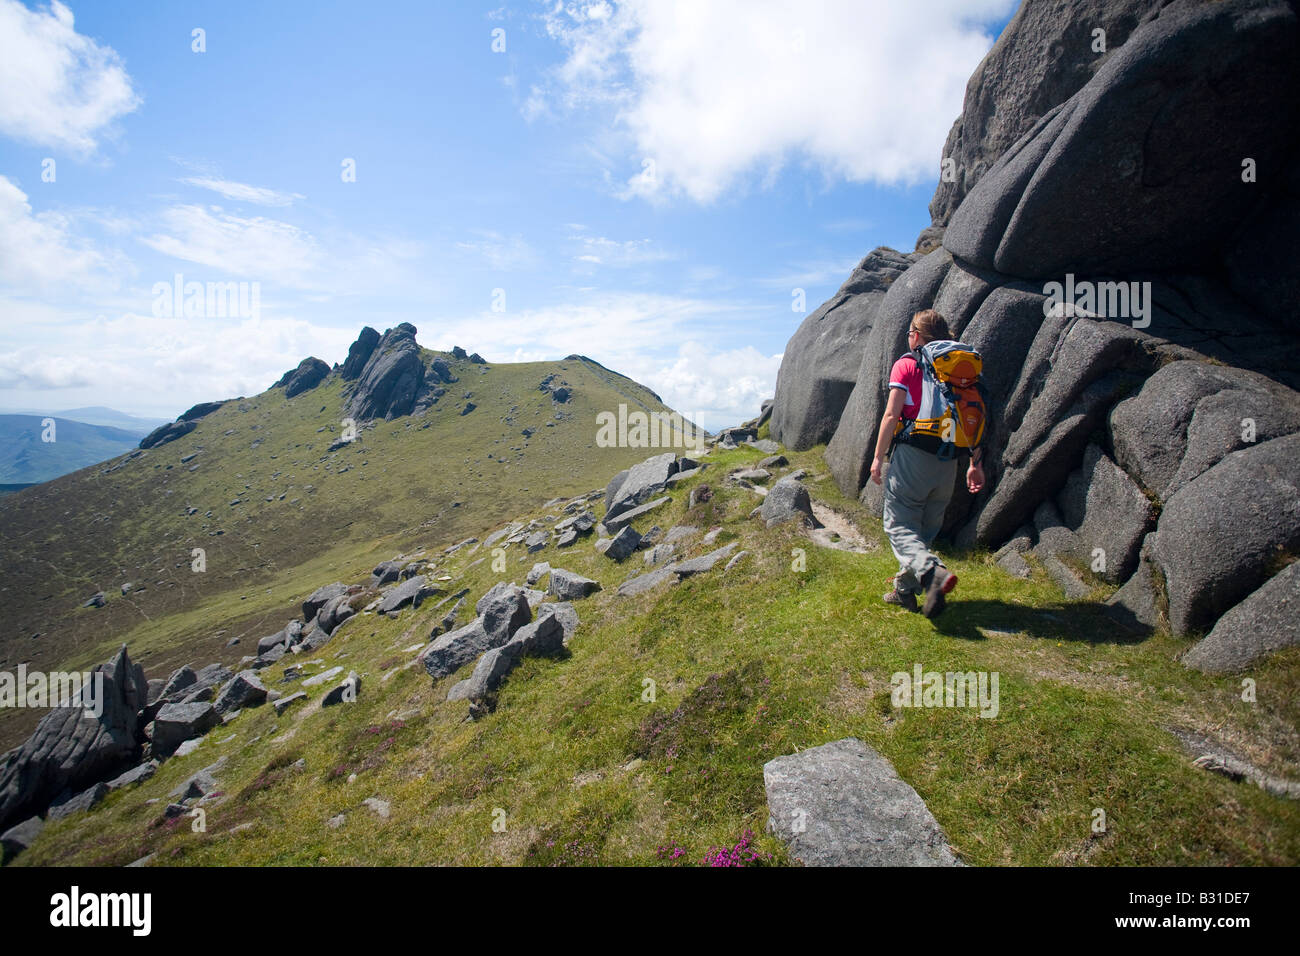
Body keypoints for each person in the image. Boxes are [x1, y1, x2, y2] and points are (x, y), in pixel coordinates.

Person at [870, 309, 985, 617]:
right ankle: (905, 591)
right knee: (924, 530)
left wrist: (878, 457)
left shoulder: (907, 365)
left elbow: (892, 415)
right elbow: (973, 416)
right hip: (950, 461)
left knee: (899, 525)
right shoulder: (959, 370)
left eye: (910, 332)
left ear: (916, 336)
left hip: (913, 455)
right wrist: (975, 463)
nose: (908, 337)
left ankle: (931, 573)